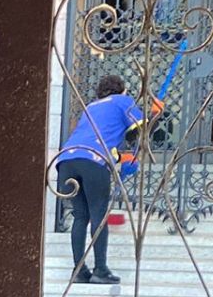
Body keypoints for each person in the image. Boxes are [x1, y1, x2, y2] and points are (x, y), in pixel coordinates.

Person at [53, 72, 151, 284]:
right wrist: (154, 114)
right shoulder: (122, 100)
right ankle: (100, 269)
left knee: (80, 216)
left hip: (66, 160)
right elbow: (141, 128)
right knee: (98, 214)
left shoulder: (91, 106)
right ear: (123, 89)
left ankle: (79, 271)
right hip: (93, 160)